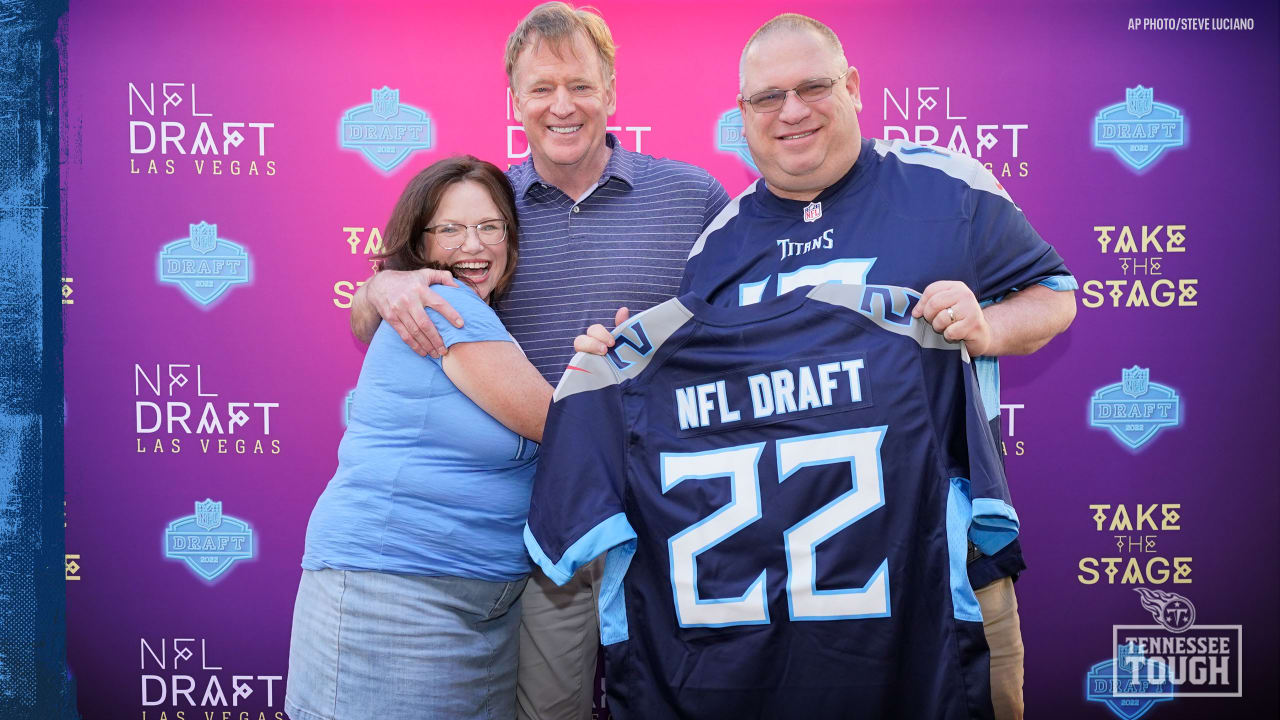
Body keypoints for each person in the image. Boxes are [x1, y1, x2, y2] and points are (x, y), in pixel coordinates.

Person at [576, 14, 1077, 720]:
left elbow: (1055, 296)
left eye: (813, 87)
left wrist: (985, 326)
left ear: (853, 87)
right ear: (742, 115)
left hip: (939, 570)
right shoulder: (719, 243)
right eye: (766, 98)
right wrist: (628, 362)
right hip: (780, 595)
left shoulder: (946, 187)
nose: (792, 112)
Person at [347, 5, 730, 719]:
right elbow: (377, 315)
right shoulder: (489, 212)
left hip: (674, 519)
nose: (562, 106)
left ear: (611, 91)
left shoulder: (695, 197)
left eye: (581, 85)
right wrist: (383, 282)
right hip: (546, 535)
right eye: (541, 87)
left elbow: (736, 340)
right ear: (514, 101)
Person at [285, 156, 553, 720]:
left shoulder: (479, 317)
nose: (473, 245)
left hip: (479, 606)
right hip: (393, 604)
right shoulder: (444, 304)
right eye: (449, 229)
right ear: (421, 245)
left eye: (489, 226)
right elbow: (556, 424)